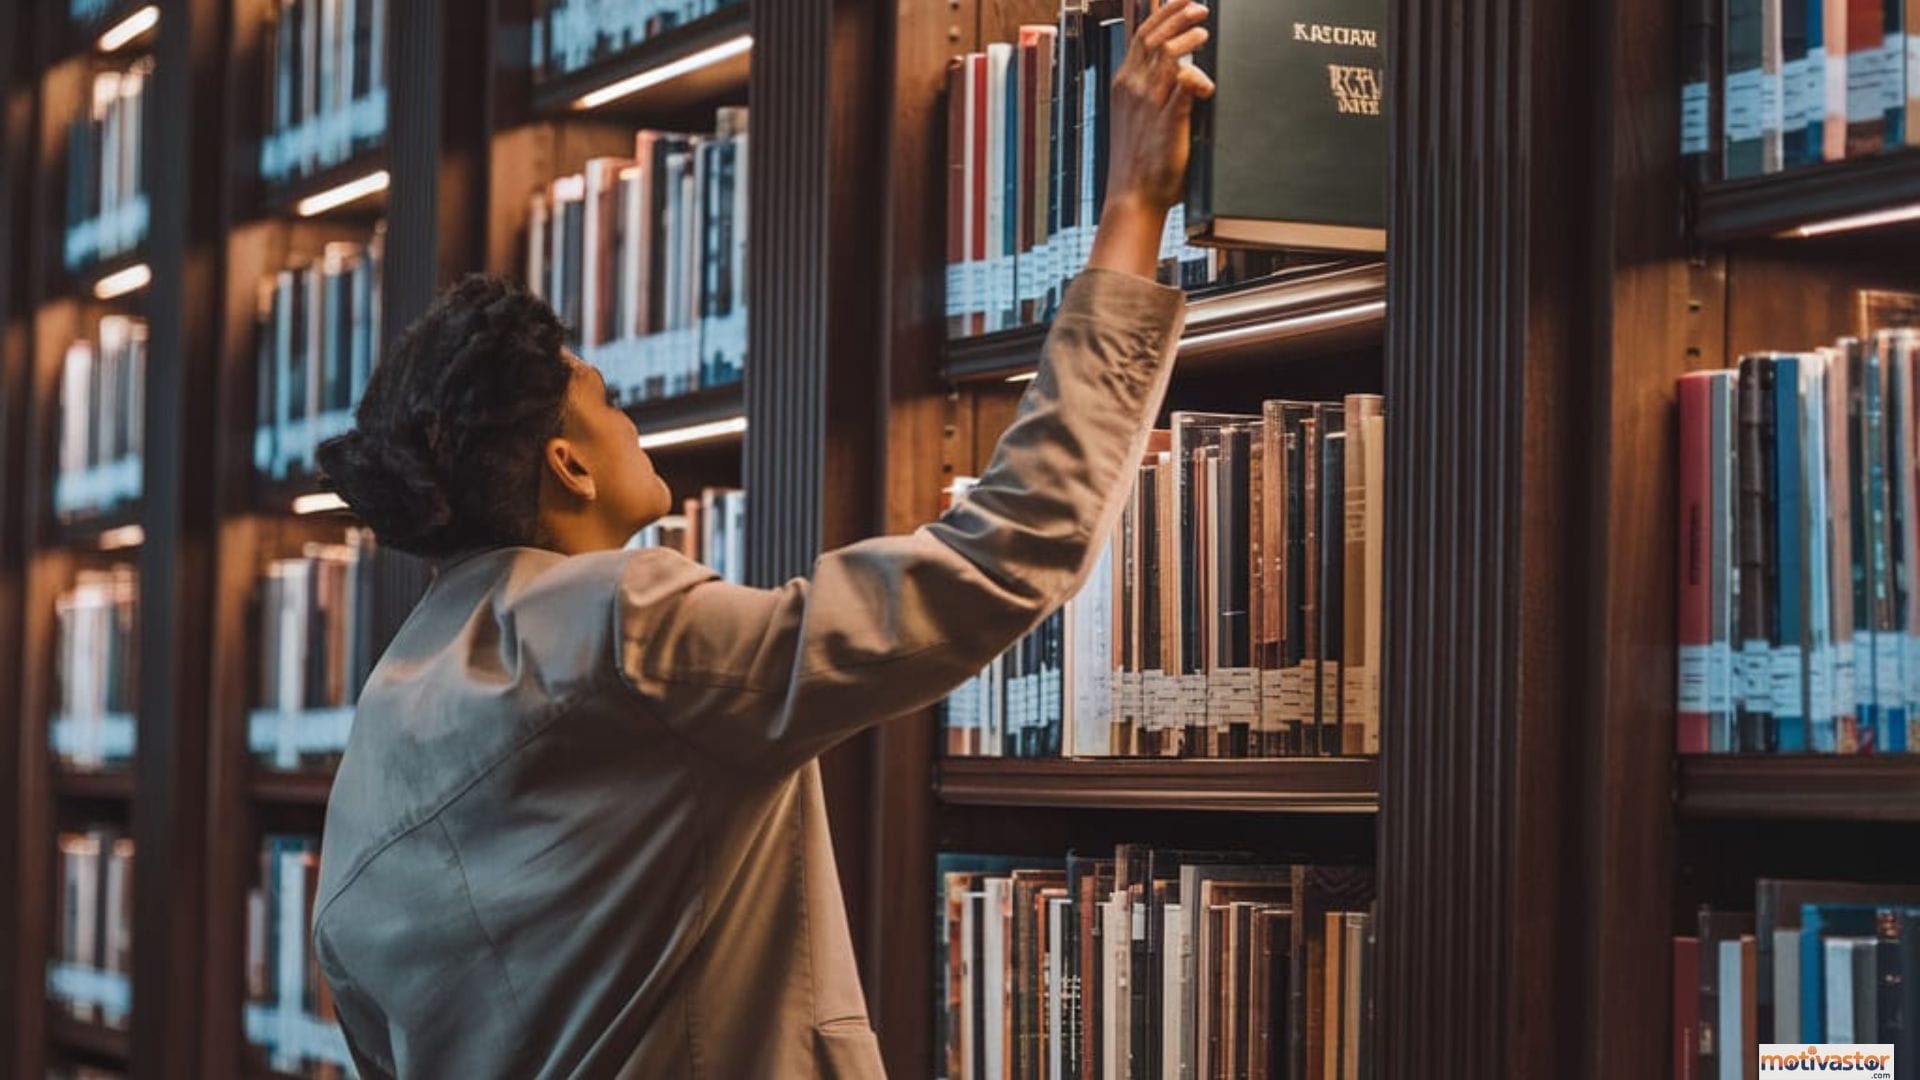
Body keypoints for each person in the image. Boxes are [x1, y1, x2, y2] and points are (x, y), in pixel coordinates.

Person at [309, 3, 1214, 1075]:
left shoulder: (384, 725)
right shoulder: (624, 632)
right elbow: (1003, 553)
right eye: (603, 399)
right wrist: (1131, 206)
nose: (633, 419)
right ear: (568, 462)